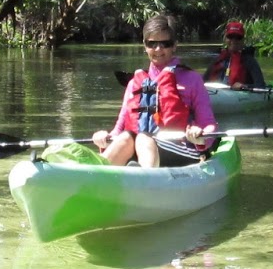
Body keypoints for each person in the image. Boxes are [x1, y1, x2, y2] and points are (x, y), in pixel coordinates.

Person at [92, 14, 218, 167]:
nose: (158, 49)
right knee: (125, 137)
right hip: (141, 146)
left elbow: (209, 124)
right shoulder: (134, 83)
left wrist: (201, 136)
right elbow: (118, 129)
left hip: (181, 148)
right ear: (145, 46)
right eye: (152, 44)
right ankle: (98, 174)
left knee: (143, 138)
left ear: (174, 45)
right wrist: (104, 138)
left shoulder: (192, 79)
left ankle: (145, 177)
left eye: (165, 43)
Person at [204, 20, 267, 90]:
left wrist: (244, 86)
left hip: (239, 94)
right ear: (225, 39)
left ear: (243, 40)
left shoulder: (250, 61)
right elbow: (204, 80)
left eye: (238, 37)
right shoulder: (218, 59)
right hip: (216, 92)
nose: (234, 41)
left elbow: (261, 86)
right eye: (230, 37)